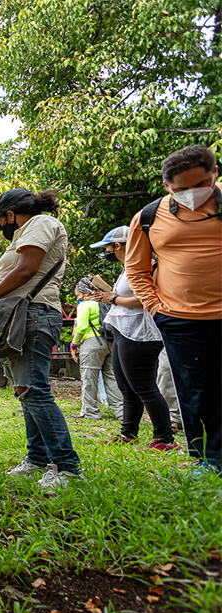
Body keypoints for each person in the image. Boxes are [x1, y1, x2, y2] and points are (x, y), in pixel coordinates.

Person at [0, 188, 83, 492]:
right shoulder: (26, 231)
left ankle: (66, 467)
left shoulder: (40, 224)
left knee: (34, 390)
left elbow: (26, 271)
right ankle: (36, 459)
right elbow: (14, 280)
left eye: (0, 222)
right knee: (25, 391)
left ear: (10, 214)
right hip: (20, 315)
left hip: (34, 314)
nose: (1, 229)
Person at [125, 145, 222, 475]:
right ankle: (205, 459)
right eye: (182, 190)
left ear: (215, 174)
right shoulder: (150, 217)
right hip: (181, 319)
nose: (193, 195)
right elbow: (136, 269)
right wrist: (155, 308)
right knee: (194, 391)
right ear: (168, 186)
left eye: (201, 184)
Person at [89, 227, 178, 451]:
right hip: (122, 329)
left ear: (117, 246)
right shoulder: (129, 266)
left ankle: (165, 439)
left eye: (108, 248)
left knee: (144, 386)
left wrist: (114, 298)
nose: (107, 252)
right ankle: (128, 433)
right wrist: (111, 297)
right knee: (126, 387)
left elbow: (143, 300)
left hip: (140, 333)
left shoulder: (149, 264)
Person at [70, 276, 123, 421]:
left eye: (78, 295)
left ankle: (91, 412)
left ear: (86, 294)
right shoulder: (107, 305)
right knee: (112, 378)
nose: (78, 298)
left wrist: (74, 344)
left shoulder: (85, 306)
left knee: (89, 378)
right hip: (110, 343)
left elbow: (81, 327)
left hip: (92, 344)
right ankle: (121, 413)